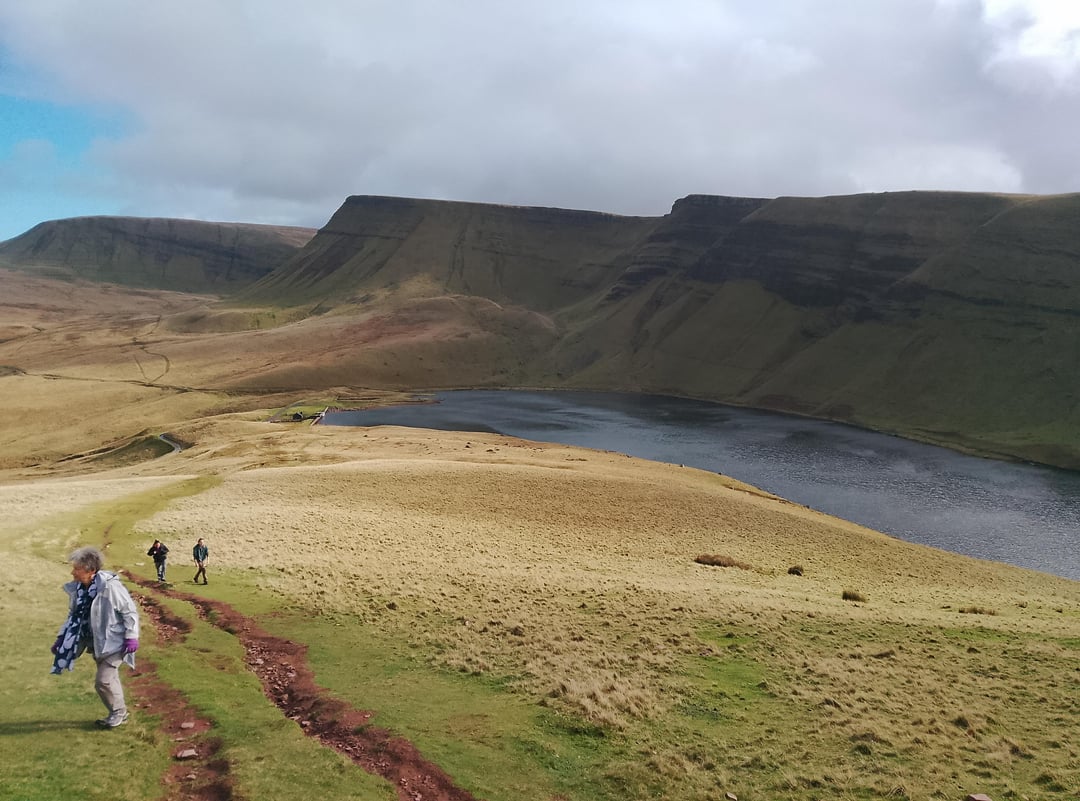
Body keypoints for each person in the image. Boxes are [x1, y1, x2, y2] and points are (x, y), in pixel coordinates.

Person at [51, 546, 140, 728]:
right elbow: (73, 616)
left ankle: (118, 713)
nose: (72, 572)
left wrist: (132, 636)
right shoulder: (80, 590)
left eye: (77, 568)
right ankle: (119, 712)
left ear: (91, 570)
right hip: (96, 643)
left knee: (103, 681)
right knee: (110, 679)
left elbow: (129, 612)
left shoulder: (110, 587)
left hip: (114, 642)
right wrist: (62, 638)